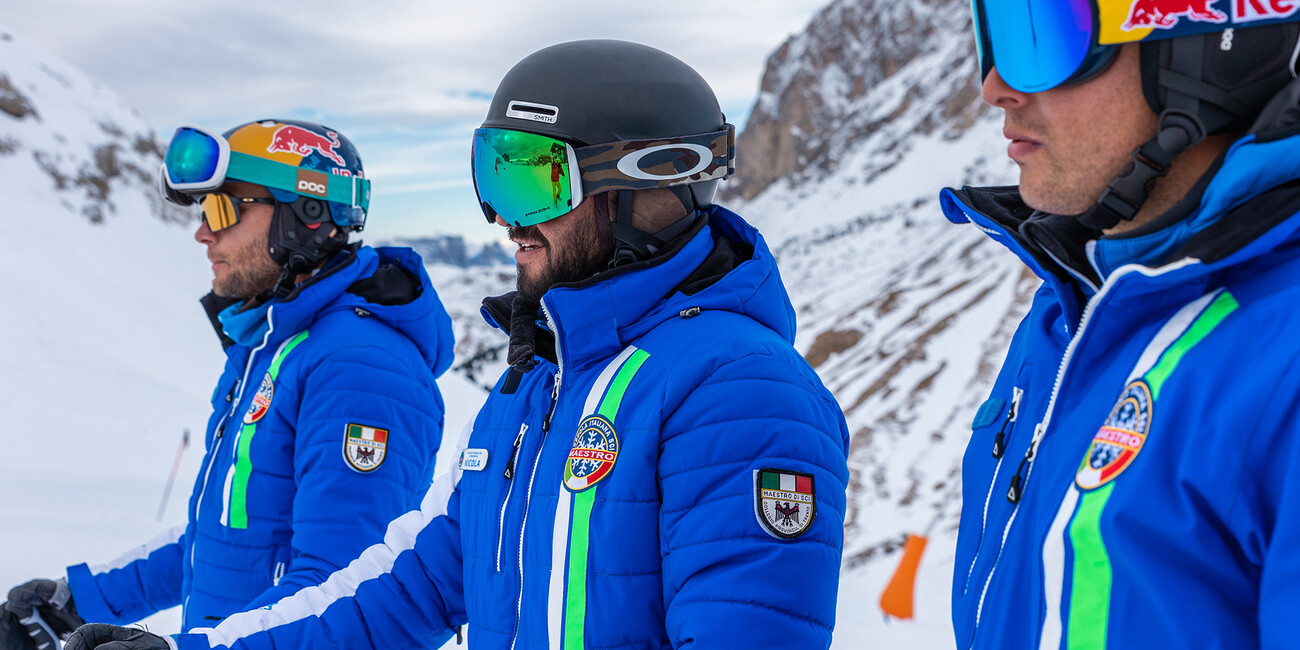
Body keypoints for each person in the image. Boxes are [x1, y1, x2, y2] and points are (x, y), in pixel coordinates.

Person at [63, 40, 851, 650]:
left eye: (527, 181)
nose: (503, 220)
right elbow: (404, 589)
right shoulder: (537, 386)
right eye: (490, 176)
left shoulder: (739, 391)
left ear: (642, 186)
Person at [1, 120, 454, 648]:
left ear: (304, 215)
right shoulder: (276, 347)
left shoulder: (361, 369)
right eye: (203, 212)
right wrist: (78, 603)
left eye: (223, 210)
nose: (202, 233)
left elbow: (346, 593)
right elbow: (226, 537)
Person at [943, 3, 1300, 648]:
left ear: (1207, 50)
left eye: (1043, 34)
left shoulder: (1281, 359)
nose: (996, 88)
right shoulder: (1073, 315)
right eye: (990, 30)